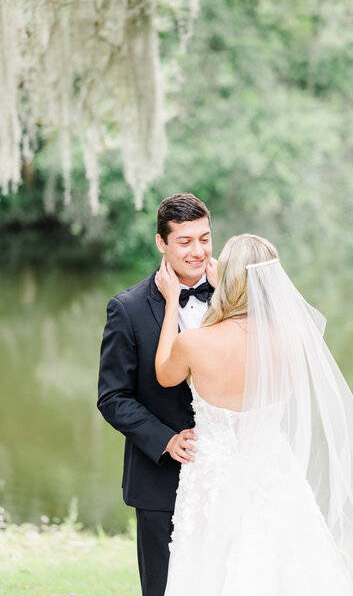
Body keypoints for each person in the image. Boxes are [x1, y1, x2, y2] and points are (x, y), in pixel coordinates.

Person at [154, 233, 353, 596]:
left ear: (231, 277)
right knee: (283, 564)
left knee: (210, 568)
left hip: (213, 474)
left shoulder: (195, 342)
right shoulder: (296, 337)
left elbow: (164, 372)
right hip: (274, 470)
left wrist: (173, 302)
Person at [97, 193, 217, 596]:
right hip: (159, 482)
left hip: (229, 472)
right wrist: (165, 439)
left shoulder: (237, 299)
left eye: (204, 238)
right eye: (185, 241)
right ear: (160, 243)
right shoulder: (127, 309)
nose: (197, 251)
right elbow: (113, 397)